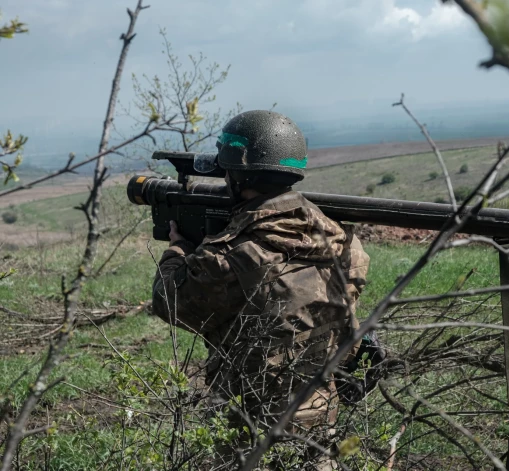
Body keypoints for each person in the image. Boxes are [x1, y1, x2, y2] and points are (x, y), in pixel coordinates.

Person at [151, 110, 370, 469]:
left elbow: (170, 302)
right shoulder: (342, 241)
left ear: (237, 174)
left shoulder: (233, 257)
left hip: (249, 424)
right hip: (319, 409)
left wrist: (179, 251)